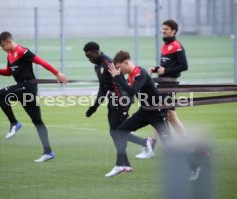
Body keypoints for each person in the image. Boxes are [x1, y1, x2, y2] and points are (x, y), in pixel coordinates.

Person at [106, 50, 200, 180]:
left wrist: (117, 77)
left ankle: (194, 167)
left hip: (158, 112)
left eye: (119, 67)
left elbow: (132, 91)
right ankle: (122, 165)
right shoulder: (131, 74)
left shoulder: (140, 73)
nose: (119, 71)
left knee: (169, 145)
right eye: (117, 69)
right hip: (144, 111)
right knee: (120, 131)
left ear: (126, 63)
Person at [0, 31, 68, 163]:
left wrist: (58, 74)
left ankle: (14, 123)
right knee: (37, 121)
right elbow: (8, 72)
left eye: (3, 45)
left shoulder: (22, 51)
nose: (2, 49)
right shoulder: (9, 55)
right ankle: (48, 152)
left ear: (9, 41)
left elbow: (42, 62)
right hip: (22, 89)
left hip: (28, 87)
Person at [83, 42, 150, 171]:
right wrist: (95, 106)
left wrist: (123, 104)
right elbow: (103, 87)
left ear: (97, 52)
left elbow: (119, 84)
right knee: (116, 132)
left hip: (121, 99)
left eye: (90, 56)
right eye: (87, 57)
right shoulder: (97, 66)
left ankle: (123, 164)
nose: (89, 59)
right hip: (113, 99)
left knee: (116, 132)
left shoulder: (109, 63)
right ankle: (129, 159)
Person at [135, 19, 188, 159]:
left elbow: (183, 66)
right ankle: (189, 145)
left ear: (174, 31)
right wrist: (157, 69)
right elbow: (166, 67)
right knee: (171, 116)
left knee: (160, 114)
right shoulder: (165, 45)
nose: (163, 31)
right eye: (162, 29)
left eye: (166, 29)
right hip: (163, 84)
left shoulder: (176, 46)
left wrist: (165, 70)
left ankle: (150, 146)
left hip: (170, 85)